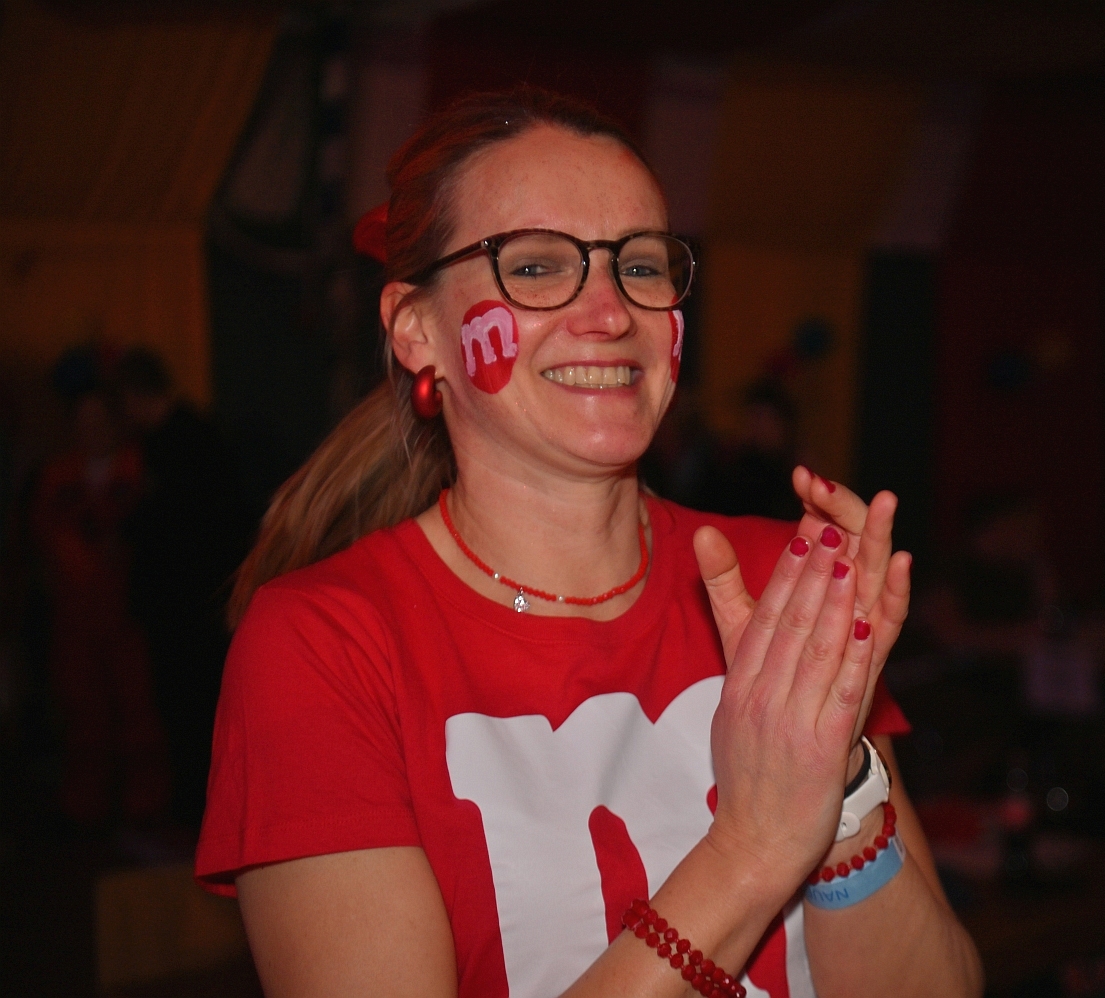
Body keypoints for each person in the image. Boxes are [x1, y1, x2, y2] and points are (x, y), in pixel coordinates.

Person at [195, 88, 981, 998]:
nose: (610, 313)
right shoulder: (324, 644)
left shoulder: (778, 579)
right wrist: (754, 847)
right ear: (417, 331)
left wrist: (843, 794)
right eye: (534, 267)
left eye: (640, 265)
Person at [32, 348, 169, 827]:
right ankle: (85, 811)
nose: (91, 428)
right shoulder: (57, 478)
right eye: (83, 419)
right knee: (83, 717)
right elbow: (46, 543)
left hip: (128, 619)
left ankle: (145, 810)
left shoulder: (138, 470)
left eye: (100, 418)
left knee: (139, 717)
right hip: (76, 621)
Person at [117, 347, 251, 825]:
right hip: (194, 605)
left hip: (188, 609)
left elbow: (186, 531)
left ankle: (198, 814)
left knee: (190, 712)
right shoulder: (184, 439)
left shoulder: (180, 446)